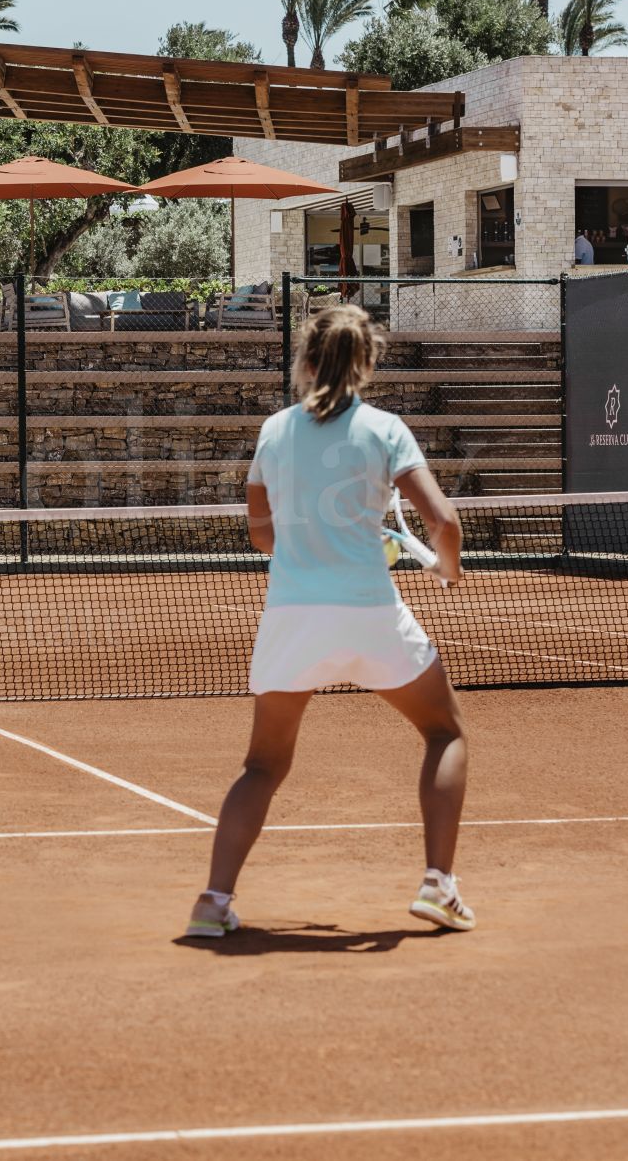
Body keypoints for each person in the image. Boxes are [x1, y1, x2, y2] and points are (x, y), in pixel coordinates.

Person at [185, 305, 474, 938]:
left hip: (292, 617)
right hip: (370, 613)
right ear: (365, 362)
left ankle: (212, 902)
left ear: (307, 360)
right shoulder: (386, 429)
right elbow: (445, 523)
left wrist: (314, 542)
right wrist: (447, 568)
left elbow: (263, 536)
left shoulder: (273, 432)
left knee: (262, 767)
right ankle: (438, 886)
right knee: (444, 733)